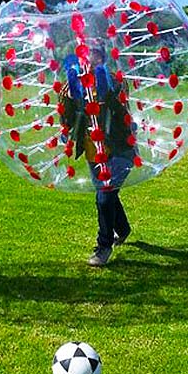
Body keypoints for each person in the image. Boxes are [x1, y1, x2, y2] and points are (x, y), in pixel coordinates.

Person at [59, 48, 136, 267]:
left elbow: (123, 112)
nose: (87, 61)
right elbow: (68, 120)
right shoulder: (74, 84)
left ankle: (104, 246)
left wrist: (106, 94)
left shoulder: (114, 81)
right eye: (84, 56)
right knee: (108, 194)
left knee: (104, 196)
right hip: (93, 152)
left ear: (101, 58)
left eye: (92, 56)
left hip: (119, 149)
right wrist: (71, 99)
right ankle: (123, 229)